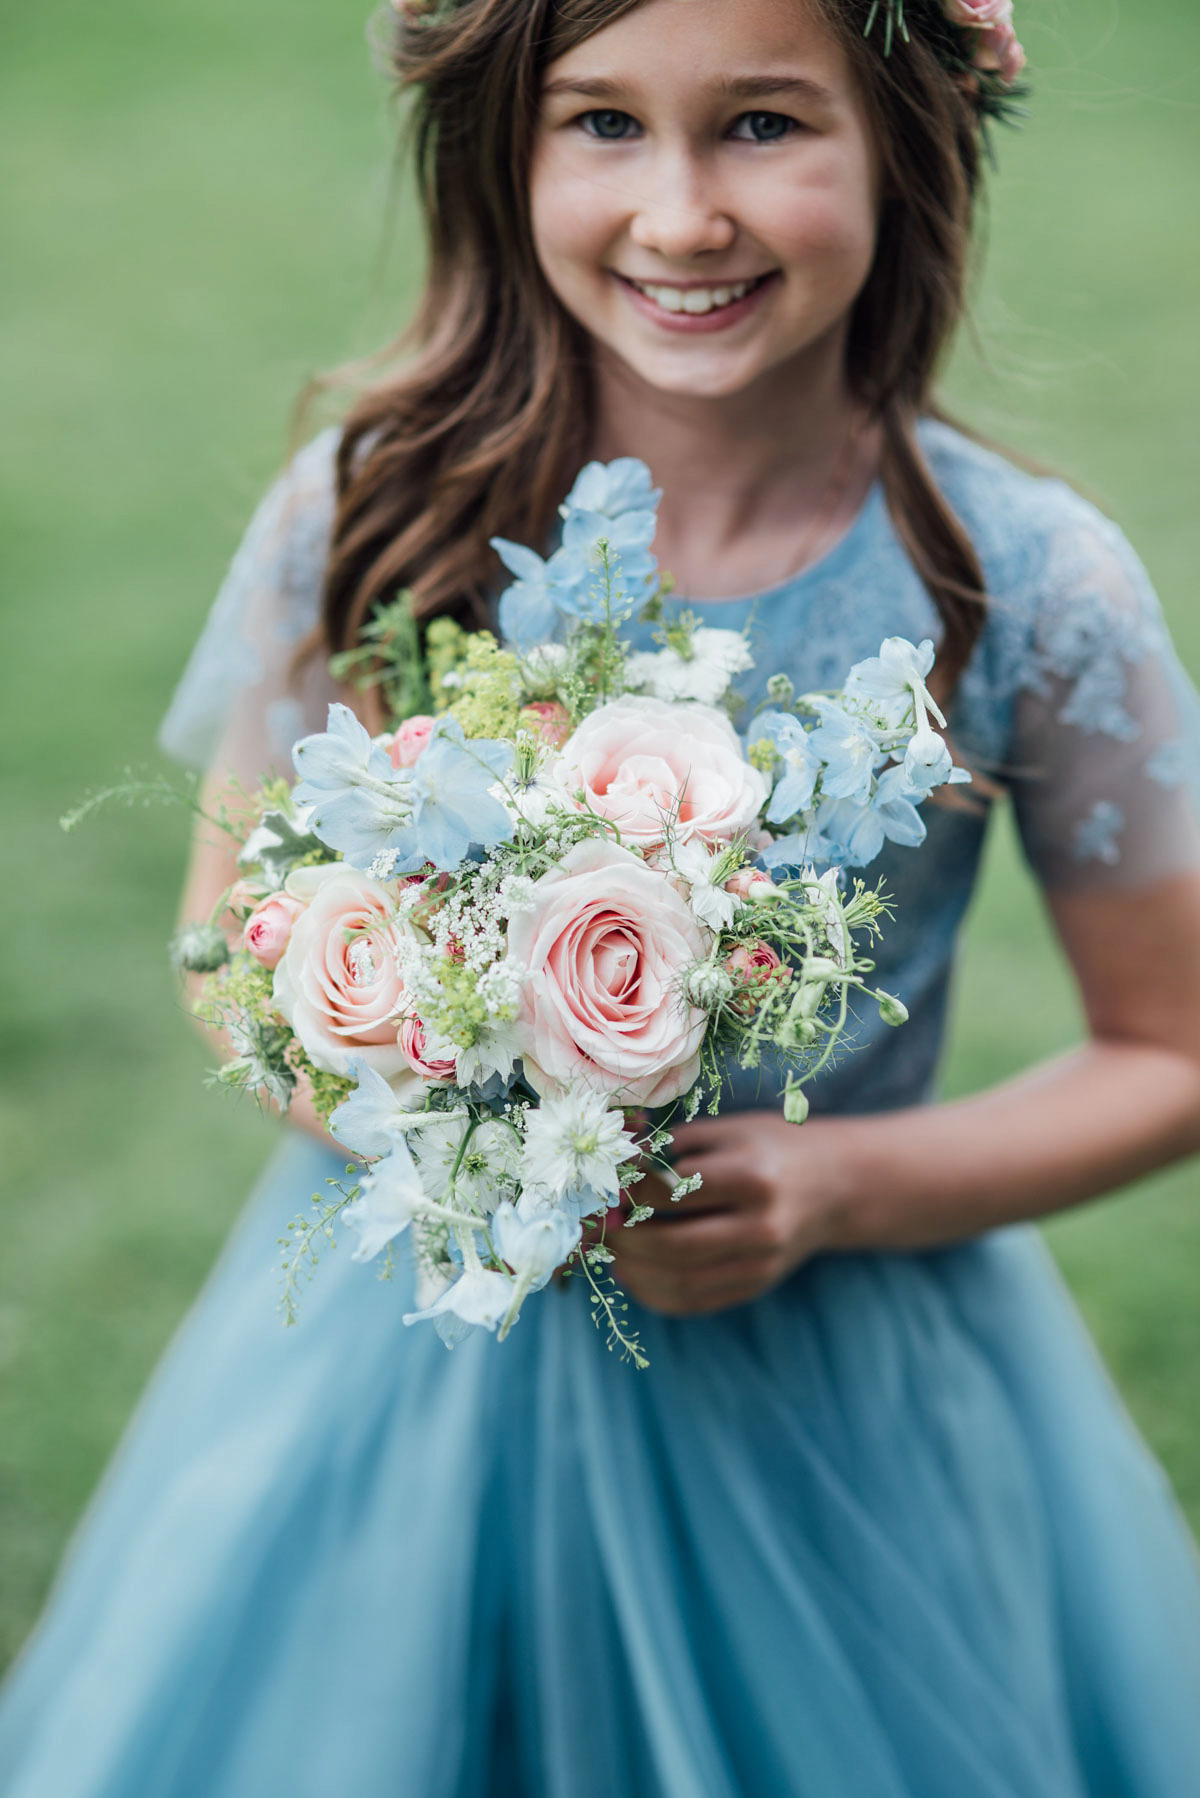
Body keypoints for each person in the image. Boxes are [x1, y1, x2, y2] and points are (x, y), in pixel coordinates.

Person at [4, 0, 1200, 1791]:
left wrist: (833, 1177)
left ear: (907, 138)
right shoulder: (379, 514)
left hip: (834, 1394)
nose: (684, 213)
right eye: (604, 125)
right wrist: (465, 1132)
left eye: (765, 125)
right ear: (503, 143)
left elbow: (1170, 1046)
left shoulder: (1019, 584)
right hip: (411, 1371)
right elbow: (235, 961)